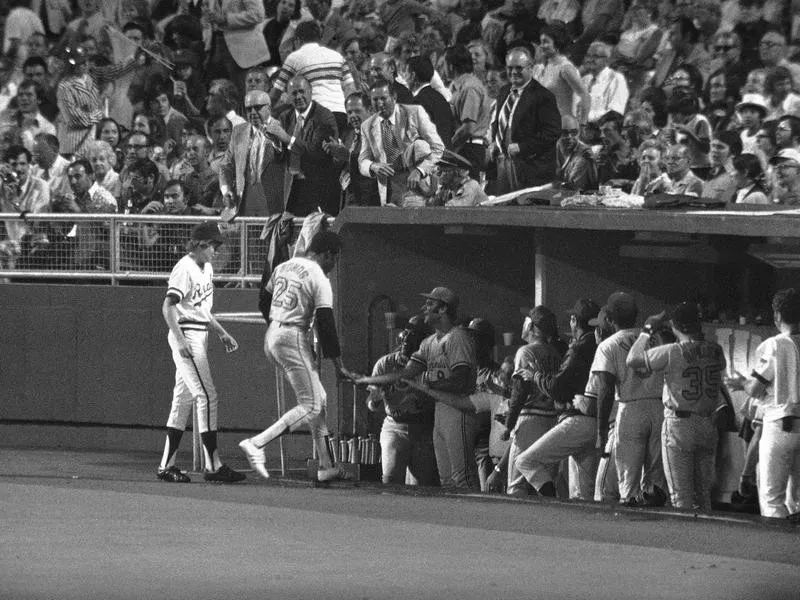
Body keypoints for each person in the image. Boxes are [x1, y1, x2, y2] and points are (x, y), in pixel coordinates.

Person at [240, 230, 357, 483]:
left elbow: (264, 299)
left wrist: (276, 327)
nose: (334, 264)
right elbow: (326, 324)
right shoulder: (319, 277)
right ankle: (257, 443)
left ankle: (327, 467)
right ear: (327, 254)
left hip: (274, 333)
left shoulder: (285, 266)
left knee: (319, 400)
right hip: (293, 336)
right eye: (334, 258)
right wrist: (339, 366)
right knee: (312, 405)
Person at [356, 286, 481, 490]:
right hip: (438, 411)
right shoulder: (429, 343)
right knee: (446, 479)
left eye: (430, 304)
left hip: (457, 409)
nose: (425, 307)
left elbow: (461, 379)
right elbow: (406, 374)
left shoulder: (458, 337)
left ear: (442, 310)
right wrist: (367, 380)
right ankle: (453, 520)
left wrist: (427, 385)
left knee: (461, 477)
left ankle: (478, 519)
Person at [156, 221, 245, 484]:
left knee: (182, 400)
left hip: (199, 332)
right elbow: (168, 307)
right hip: (187, 334)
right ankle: (214, 465)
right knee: (207, 396)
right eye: (213, 246)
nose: (216, 252)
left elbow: (202, 310)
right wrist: (180, 340)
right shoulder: (184, 267)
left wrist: (221, 331)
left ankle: (166, 465)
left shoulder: (205, 269)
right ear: (201, 244)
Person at [627, 302, 728, 511]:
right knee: (703, 497)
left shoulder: (673, 351)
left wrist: (647, 331)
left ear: (676, 325)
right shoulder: (716, 351)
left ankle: (686, 543)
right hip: (708, 424)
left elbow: (633, 360)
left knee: (681, 498)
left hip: (680, 425)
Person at [510, 299, 601, 501]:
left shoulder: (578, 348)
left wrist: (534, 375)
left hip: (577, 420)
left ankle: (549, 500)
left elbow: (557, 389)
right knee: (581, 495)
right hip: (594, 421)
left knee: (525, 461)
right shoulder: (596, 345)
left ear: (574, 320)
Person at [590, 292, 667, 507]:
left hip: (630, 408)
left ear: (610, 319)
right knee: (654, 483)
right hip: (658, 406)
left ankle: (631, 525)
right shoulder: (653, 338)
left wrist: (601, 429)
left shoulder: (608, 345)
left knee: (628, 483)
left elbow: (605, 389)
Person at [741, 288, 800, 518]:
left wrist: (741, 383)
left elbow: (755, 388)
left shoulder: (775, 344)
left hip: (781, 425)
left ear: (777, 316)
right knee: (797, 501)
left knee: (772, 499)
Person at [366, 315, 439, 486]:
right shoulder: (387, 363)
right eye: (405, 335)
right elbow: (371, 402)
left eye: (414, 338)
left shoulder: (432, 364)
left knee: (424, 485)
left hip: (424, 428)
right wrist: (375, 400)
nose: (406, 341)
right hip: (395, 426)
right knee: (391, 480)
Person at [503, 306, 565, 496]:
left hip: (530, 420)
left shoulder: (525, 351)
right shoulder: (556, 353)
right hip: (552, 421)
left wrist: (509, 424)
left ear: (531, 325)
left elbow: (519, 391)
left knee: (517, 485)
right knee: (544, 480)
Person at [358, 79, 444, 206]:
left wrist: (420, 170)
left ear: (394, 97)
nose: (379, 103)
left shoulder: (415, 112)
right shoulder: (367, 126)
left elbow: (438, 147)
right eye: (375, 100)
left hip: (417, 184)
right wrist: (373, 166)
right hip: (390, 188)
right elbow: (362, 161)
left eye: (383, 98)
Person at [263, 76, 341, 216]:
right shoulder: (285, 116)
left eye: (302, 91)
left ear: (310, 92)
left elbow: (318, 153)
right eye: (294, 93)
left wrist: (286, 138)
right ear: (287, 96)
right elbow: (280, 157)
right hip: (291, 188)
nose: (298, 96)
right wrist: (274, 142)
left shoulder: (324, 117)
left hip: (317, 189)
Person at [490, 47, 560, 195]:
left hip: (529, 167)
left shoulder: (543, 96)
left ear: (531, 68)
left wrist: (522, 147)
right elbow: (498, 122)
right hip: (502, 164)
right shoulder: (504, 91)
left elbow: (552, 133)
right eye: (510, 68)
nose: (514, 72)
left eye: (519, 68)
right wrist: (493, 142)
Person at [270, 21, 355, 134]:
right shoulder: (338, 56)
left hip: (314, 117)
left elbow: (275, 94)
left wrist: (265, 113)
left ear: (298, 40)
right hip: (341, 116)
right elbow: (351, 89)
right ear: (319, 39)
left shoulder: (294, 58)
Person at [219, 90, 285, 218]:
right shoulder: (238, 131)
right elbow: (225, 166)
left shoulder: (283, 128)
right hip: (244, 201)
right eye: (249, 109)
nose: (253, 112)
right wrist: (226, 191)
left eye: (258, 107)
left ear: (269, 108)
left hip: (273, 202)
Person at [323, 91, 380, 207]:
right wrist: (337, 158)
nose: (353, 116)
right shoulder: (349, 134)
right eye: (349, 112)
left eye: (357, 111)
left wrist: (347, 156)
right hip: (349, 200)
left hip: (371, 203)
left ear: (370, 110)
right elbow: (344, 166)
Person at [445, 45, 491, 181]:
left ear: (451, 66)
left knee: (465, 194)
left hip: (469, 149)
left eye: (444, 64)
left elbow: (468, 127)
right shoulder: (456, 87)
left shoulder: (470, 88)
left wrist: (448, 147)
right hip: (461, 149)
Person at [532, 22, 590, 125]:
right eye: (541, 42)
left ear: (557, 42)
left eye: (545, 42)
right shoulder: (543, 67)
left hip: (561, 126)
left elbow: (584, 94)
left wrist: (583, 123)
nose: (541, 46)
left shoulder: (565, 68)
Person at [406, 55, 455, 153]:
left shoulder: (417, 102)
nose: (405, 78)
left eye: (406, 74)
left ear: (413, 75)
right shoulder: (441, 98)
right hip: (447, 156)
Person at [581, 41, 629, 125]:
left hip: (597, 129)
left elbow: (615, 113)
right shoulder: (585, 79)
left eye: (596, 56)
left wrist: (585, 118)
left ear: (607, 60)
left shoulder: (616, 79)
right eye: (588, 56)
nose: (590, 60)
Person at [555, 115, 597, 192]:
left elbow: (570, 185)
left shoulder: (584, 152)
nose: (569, 136)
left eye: (574, 132)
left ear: (578, 133)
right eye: (564, 133)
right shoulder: (554, 147)